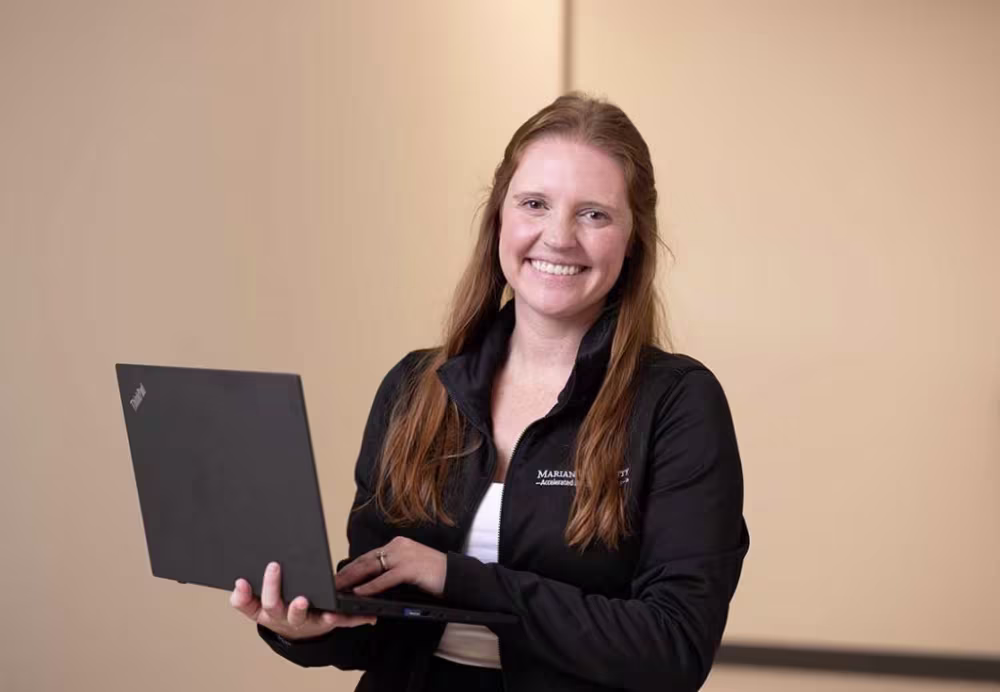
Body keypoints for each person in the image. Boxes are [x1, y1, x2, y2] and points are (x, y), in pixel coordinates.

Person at [230, 92, 749, 692]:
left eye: (594, 214)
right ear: (499, 217)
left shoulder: (679, 405)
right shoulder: (415, 388)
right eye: (535, 203)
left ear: (633, 238)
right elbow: (381, 625)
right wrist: (302, 624)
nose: (558, 237)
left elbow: (673, 649)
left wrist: (462, 579)